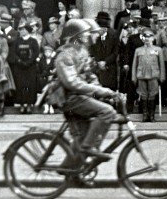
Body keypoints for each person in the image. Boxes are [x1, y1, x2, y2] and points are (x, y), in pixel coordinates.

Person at [48, 18, 123, 166]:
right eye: (89, 33)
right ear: (79, 35)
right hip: (68, 98)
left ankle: (71, 171)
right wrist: (101, 91)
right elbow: (72, 83)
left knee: (83, 136)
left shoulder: (81, 51)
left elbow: (89, 76)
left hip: (77, 96)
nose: (92, 36)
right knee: (107, 112)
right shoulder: (65, 54)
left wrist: (102, 92)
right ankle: (90, 148)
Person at [132, 26, 166, 123]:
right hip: (141, 75)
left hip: (153, 75)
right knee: (143, 95)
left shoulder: (158, 49)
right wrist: (134, 77)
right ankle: (145, 115)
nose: (147, 38)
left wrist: (162, 76)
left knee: (152, 95)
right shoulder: (138, 50)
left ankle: (151, 116)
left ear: (153, 38)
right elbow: (134, 64)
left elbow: (161, 64)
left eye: (149, 36)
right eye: (145, 36)